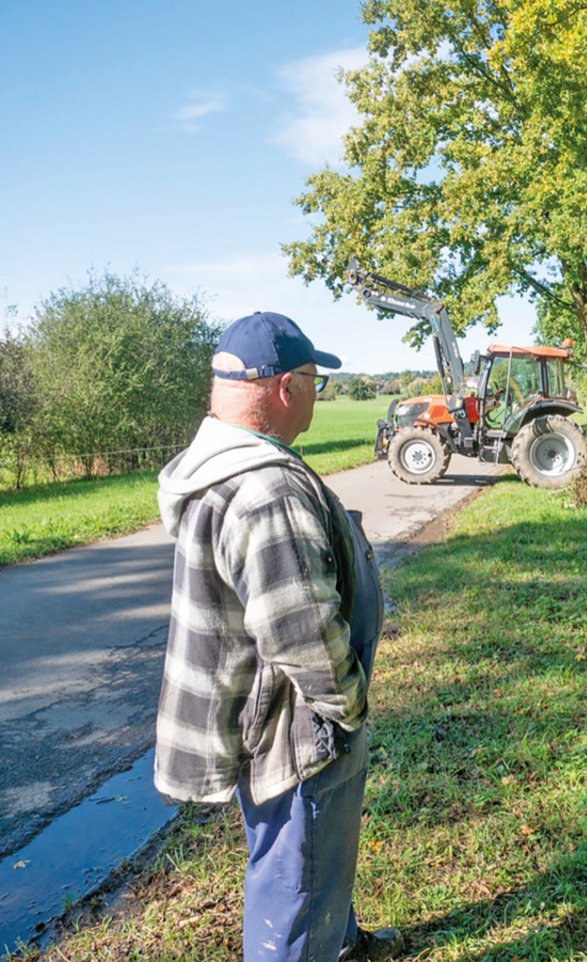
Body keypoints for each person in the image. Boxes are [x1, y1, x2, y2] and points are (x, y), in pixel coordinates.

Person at [154, 311, 403, 962]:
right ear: (287, 388)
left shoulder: (226, 465)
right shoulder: (265, 488)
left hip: (264, 716)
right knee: (295, 881)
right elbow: (300, 633)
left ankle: (341, 941)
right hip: (297, 731)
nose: (319, 396)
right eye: (316, 382)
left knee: (313, 860)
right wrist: (348, 709)